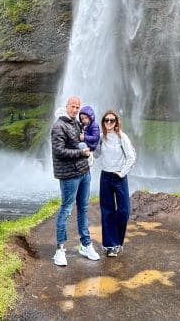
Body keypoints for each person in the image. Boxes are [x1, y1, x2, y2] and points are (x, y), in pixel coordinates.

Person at [51, 96, 100, 266]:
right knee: (66, 209)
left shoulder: (78, 123)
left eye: (77, 107)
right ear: (66, 106)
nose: (75, 110)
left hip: (84, 172)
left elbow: (89, 138)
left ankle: (85, 244)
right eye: (73, 106)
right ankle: (60, 249)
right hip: (69, 175)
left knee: (84, 209)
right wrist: (82, 153)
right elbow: (59, 151)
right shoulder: (59, 126)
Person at [94, 109, 136, 257]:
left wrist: (122, 172)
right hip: (105, 176)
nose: (109, 123)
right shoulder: (101, 137)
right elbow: (96, 154)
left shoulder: (122, 137)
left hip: (119, 177)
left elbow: (131, 156)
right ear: (103, 122)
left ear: (116, 122)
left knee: (124, 211)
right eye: (107, 120)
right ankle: (110, 245)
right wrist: (89, 142)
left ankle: (118, 241)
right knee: (107, 211)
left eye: (112, 120)